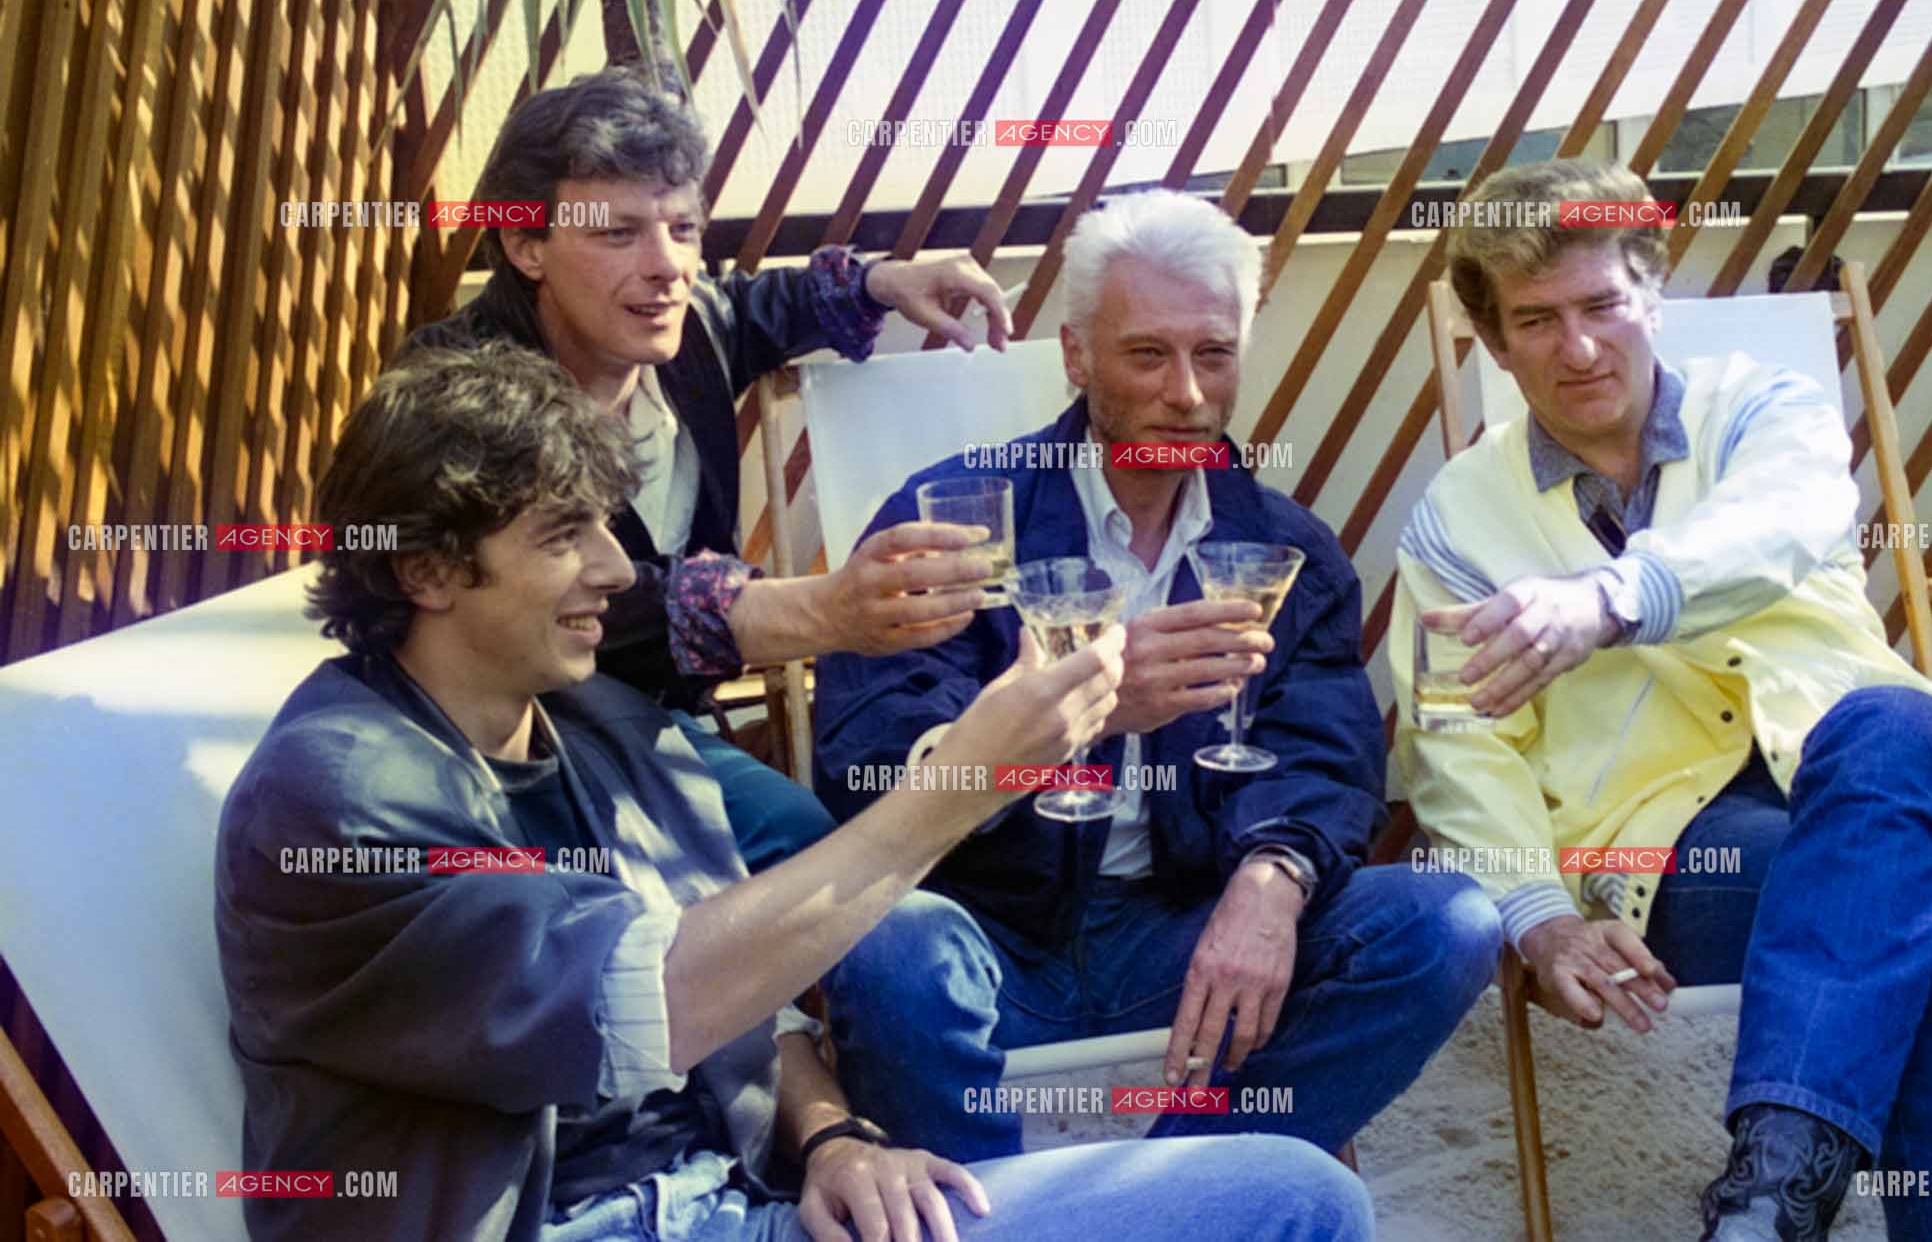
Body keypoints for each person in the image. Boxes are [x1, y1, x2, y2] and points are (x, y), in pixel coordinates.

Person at [214, 341, 1376, 1242]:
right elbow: (645, 1005)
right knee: (1296, 1211)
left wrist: (834, 1141)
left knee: (1288, 1184)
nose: (619, 576)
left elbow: (755, 1010)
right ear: (425, 567)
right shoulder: (339, 799)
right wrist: (967, 784)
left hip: (737, 1209)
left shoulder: (602, 730)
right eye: (567, 539)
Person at [1390, 158, 1932, 1242]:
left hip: (1880, 767)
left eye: (1603, 304)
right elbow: (1460, 745)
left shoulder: (1763, 408)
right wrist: (1541, 916)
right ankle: (1772, 1197)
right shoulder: (1458, 520)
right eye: (1537, 321)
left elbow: (1783, 520)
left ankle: (1767, 1202)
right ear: (1495, 346)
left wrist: (1613, 598)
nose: (1581, 347)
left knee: (1892, 726)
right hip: (1673, 849)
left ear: (1654, 293)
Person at [812, 190, 1502, 1161]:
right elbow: (862, 764)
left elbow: (1329, 761)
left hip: (1182, 939)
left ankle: (1179, 1182)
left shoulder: (1284, 550)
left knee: (1446, 923)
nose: (1185, 394)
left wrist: (1274, 877)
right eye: (1147, 354)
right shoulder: (955, 519)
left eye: (1213, 355)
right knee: (888, 946)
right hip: (991, 943)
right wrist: (1068, 718)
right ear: (1077, 355)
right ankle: (1001, 1220)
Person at [405, 66, 1014, 871]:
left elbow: (765, 308)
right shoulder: (459, 395)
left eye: (684, 229)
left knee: (835, 858)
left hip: (660, 733)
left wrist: (881, 281)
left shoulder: (687, 332)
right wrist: (827, 611)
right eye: (619, 234)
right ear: (526, 245)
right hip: (508, 748)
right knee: (809, 861)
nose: (667, 268)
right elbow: (589, 605)